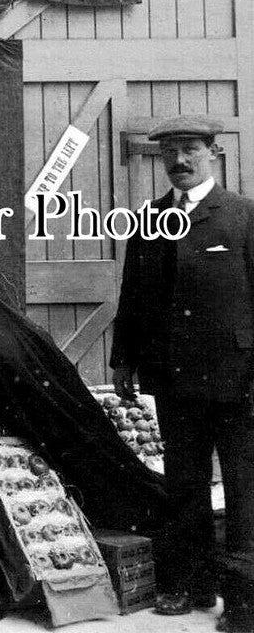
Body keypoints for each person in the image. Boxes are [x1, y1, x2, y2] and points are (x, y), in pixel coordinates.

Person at [111, 115, 254, 630]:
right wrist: (123, 359)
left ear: (213, 153)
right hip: (175, 380)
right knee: (185, 485)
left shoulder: (243, 216)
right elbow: (134, 297)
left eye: (191, 150)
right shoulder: (150, 221)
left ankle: (243, 602)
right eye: (170, 152)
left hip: (239, 383)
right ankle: (191, 586)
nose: (180, 161)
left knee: (244, 491)